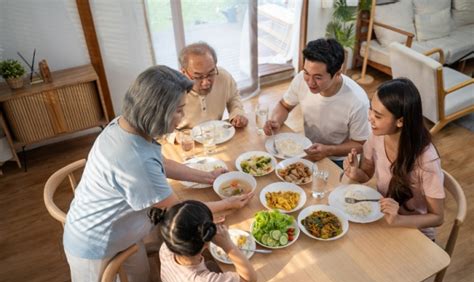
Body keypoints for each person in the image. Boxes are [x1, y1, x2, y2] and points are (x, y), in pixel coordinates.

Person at [62, 65, 253, 282]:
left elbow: (159, 163)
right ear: (157, 111)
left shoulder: (127, 125)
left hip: (126, 230)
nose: (182, 117)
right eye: (178, 110)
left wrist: (207, 177)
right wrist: (228, 203)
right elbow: (178, 212)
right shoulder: (133, 159)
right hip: (95, 240)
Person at [343, 78, 445, 240]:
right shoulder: (377, 136)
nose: (370, 118)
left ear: (400, 121)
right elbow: (367, 174)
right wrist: (356, 173)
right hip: (382, 216)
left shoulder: (427, 161)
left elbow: (438, 217)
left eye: (377, 115)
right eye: (371, 109)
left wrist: (399, 219)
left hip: (415, 232)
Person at [264, 38, 370, 167]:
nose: (310, 82)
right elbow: (284, 106)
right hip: (308, 149)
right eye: (307, 73)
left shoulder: (357, 101)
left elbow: (360, 144)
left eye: (318, 77)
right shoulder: (301, 80)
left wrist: (329, 150)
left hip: (341, 160)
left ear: (337, 74)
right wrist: (276, 121)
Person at [156, 200, 257, 282]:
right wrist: (228, 245)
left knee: (213, 266)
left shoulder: (166, 248)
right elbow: (249, 279)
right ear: (206, 242)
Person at [177, 41, 248, 129]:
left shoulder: (223, 77)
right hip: (185, 140)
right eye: (198, 77)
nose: (206, 82)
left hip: (217, 135)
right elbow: (160, 130)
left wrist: (237, 113)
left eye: (211, 73)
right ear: (184, 72)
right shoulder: (170, 90)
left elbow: (233, 97)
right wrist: (176, 138)